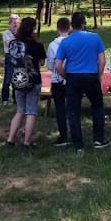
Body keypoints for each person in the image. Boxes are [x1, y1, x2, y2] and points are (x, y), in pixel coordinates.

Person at [54, 12, 111, 152]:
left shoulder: (65, 41)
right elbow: (102, 61)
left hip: (73, 77)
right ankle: (98, 139)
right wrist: (98, 75)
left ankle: (78, 144)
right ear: (84, 23)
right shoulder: (95, 37)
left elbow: (57, 65)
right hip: (91, 75)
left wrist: (66, 76)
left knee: (73, 111)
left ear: (71, 25)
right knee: (97, 106)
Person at [6, 17, 47, 148]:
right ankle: (27, 142)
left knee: (20, 110)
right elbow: (41, 62)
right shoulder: (37, 45)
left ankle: (10, 139)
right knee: (31, 112)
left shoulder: (14, 43)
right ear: (33, 29)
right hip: (33, 80)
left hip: (18, 79)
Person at [46, 17, 71, 146]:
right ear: (69, 28)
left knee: (60, 108)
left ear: (57, 29)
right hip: (72, 78)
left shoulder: (52, 45)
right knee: (73, 106)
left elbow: (50, 65)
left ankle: (64, 135)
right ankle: (75, 133)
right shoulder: (73, 42)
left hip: (57, 79)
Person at [1, 14, 20, 106]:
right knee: (8, 78)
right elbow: (10, 44)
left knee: (17, 78)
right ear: (10, 23)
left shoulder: (20, 33)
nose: (15, 24)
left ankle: (16, 99)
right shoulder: (6, 33)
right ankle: (5, 99)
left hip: (18, 56)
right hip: (9, 56)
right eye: (13, 22)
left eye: (17, 22)